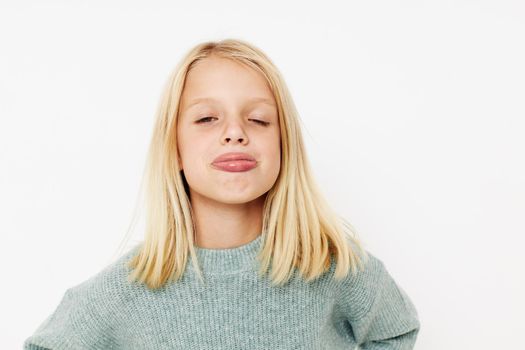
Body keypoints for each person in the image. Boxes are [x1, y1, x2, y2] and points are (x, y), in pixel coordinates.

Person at [24, 38, 420, 349]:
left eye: (259, 119)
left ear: (285, 147)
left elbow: (395, 331)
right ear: (174, 148)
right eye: (207, 118)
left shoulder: (335, 267)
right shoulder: (124, 292)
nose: (235, 132)